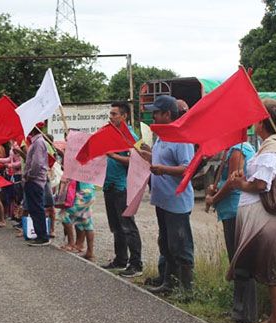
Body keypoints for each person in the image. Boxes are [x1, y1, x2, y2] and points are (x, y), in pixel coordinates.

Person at [226, 99, 276, 323]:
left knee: (274, 270)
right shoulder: (274, 144)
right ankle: (275, 319)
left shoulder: (272, 146)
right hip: (268, 216)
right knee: (275, 269)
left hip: (268, 217)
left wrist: (239, 183)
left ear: (263, 121)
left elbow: (261, 184)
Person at [140, 95, 195, 294]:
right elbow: (158, 159)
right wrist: (144, 154)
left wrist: (163, 169)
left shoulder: (181, 138)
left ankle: (187, 290)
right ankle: (168, 283)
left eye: (156, 112)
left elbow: (188, 168)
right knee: (166, 243)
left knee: (180, 245)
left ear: (167, 114)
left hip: (177, 202)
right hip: (163, 200)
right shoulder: (162, 136)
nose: (152, 115)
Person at [205, 140, 256, 323]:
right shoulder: (231, 150)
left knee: (240, 261)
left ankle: (244, 311)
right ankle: (240, 307)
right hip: (230, 210)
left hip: (236, 210)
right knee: (236, 260)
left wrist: (214, 198)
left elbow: (233, 181)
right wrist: (215, 189)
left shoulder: (237, 150)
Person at [100, 101, 143, 277]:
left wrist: (114, 156)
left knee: (128, 226)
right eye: (110, 114)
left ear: (124, 116)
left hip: (122, 187)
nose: (111, 117)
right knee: (116, 226)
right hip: (109, 186)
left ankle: (136, 264)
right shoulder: (110, 135)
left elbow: (137, 161)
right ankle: (120, 259)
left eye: (114, 114)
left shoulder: (130, 136)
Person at [23, 127, 51, 246]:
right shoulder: (35, 142)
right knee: (34, 208)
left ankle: (42, 236)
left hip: (35, 180)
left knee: (37, 208)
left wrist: (30, 175)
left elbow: (37, 162)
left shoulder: (39, 142)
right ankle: (40, 234)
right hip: (33, 179)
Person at [60, 180, 96, 261]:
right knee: (85, 220)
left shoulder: (78, 167)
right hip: (90, 190)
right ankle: (89, 252)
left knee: (63, 214)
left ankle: (71, 243)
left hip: (82, 192)